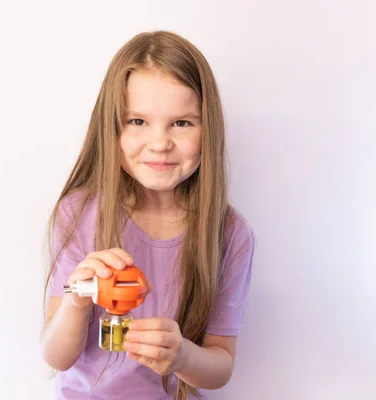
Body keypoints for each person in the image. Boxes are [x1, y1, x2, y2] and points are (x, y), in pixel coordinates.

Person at [40, 30, 254, 400]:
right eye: (138, 121)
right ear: (113, 127)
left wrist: (183, 355)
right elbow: (57, 356)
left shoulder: (229, 233)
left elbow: (220, 368)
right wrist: (77, 297)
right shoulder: (78, 214)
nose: (160, 142)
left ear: (209, 129)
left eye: (182, 123)